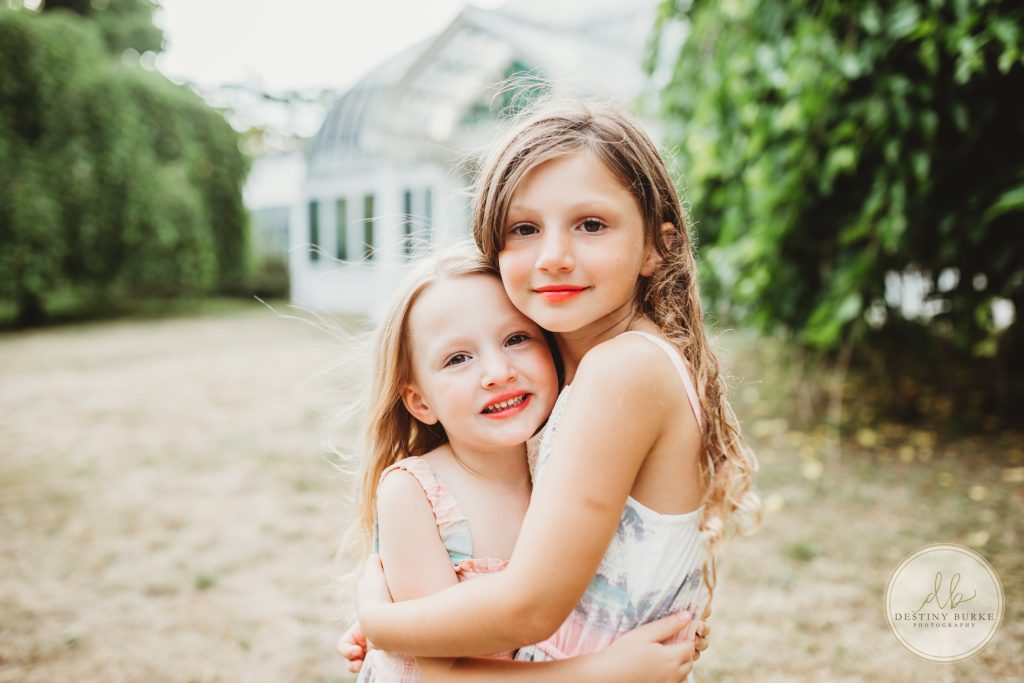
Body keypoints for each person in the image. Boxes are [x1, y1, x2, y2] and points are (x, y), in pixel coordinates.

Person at [344, 247, 709, 682]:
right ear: (420, 401)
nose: (498, 372)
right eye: (458, 359)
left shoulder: (568, 464)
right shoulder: (414, 493)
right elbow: (440, 676)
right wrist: (608, 673)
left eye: (516, 339)